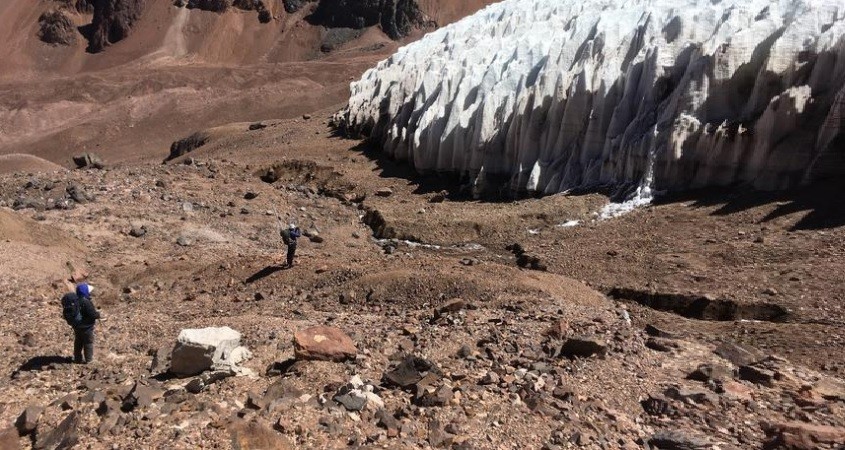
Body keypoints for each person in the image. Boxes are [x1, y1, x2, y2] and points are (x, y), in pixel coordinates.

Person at [61, 282, 101, 364]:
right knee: (88, 343)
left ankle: (77, 359)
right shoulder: (86, 302)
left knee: (78, 342)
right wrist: (98, 314)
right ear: (85, 291)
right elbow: (93, 314)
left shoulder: (76, 301)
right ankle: (89, 360)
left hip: (76, 326)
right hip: (87, 327)